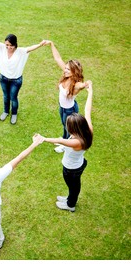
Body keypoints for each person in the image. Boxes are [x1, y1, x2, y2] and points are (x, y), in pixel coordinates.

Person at [0, 21, 47, 124]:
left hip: (16, 80)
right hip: (3, 78)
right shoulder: (1, 48)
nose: (8, 47)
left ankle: (14, 114)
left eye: (10, 45)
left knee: (13, 97)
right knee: (6, 96)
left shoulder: (20, 51)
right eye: (6, 45)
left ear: (15, 44)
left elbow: (30, 48)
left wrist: (40, 44)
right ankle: (6, 111)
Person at [37, 81, 93, 212]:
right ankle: (70, 198)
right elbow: (87, 110)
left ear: (74, 129)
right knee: (74, 187)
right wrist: (90, 92)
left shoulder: (76, 142)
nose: (66, 126)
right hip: (79, 163)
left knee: (73, 186)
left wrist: (43, 139)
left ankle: (70, 205)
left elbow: (60, 140)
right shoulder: (88, 130)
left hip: (71, 169)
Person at [45, 40, 89, 152]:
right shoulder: (67, 76)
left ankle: (65, 145)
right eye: (66, 68)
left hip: (70, 110)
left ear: (74, 72)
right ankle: (64, 139)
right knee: (64, 125)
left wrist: (86, 84)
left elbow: (82, 85)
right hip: (63, 107)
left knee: (69, 129)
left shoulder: (76, 84)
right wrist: (52, 44)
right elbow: (58, 58)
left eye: (68, 69)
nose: (65, 70)